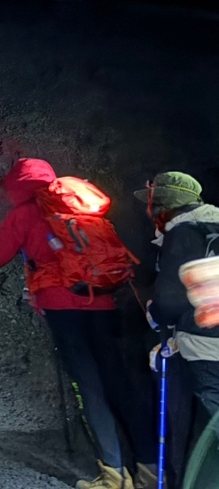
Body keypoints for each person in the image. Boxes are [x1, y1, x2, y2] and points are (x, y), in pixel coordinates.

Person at [0, 159, 156, 489]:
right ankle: (150, 470)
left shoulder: (26, 213)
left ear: (18, 185)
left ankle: (114, 476)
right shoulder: (81, 205)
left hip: (63, 306)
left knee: (90, 388)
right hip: (102, 302)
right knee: (119, 382)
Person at [140, 172, 219, 488]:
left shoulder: (183, 233)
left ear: (162, 207)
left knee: (209, 423)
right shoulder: (213, 226)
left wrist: (153, 313)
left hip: (205, 346)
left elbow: (169, 302)